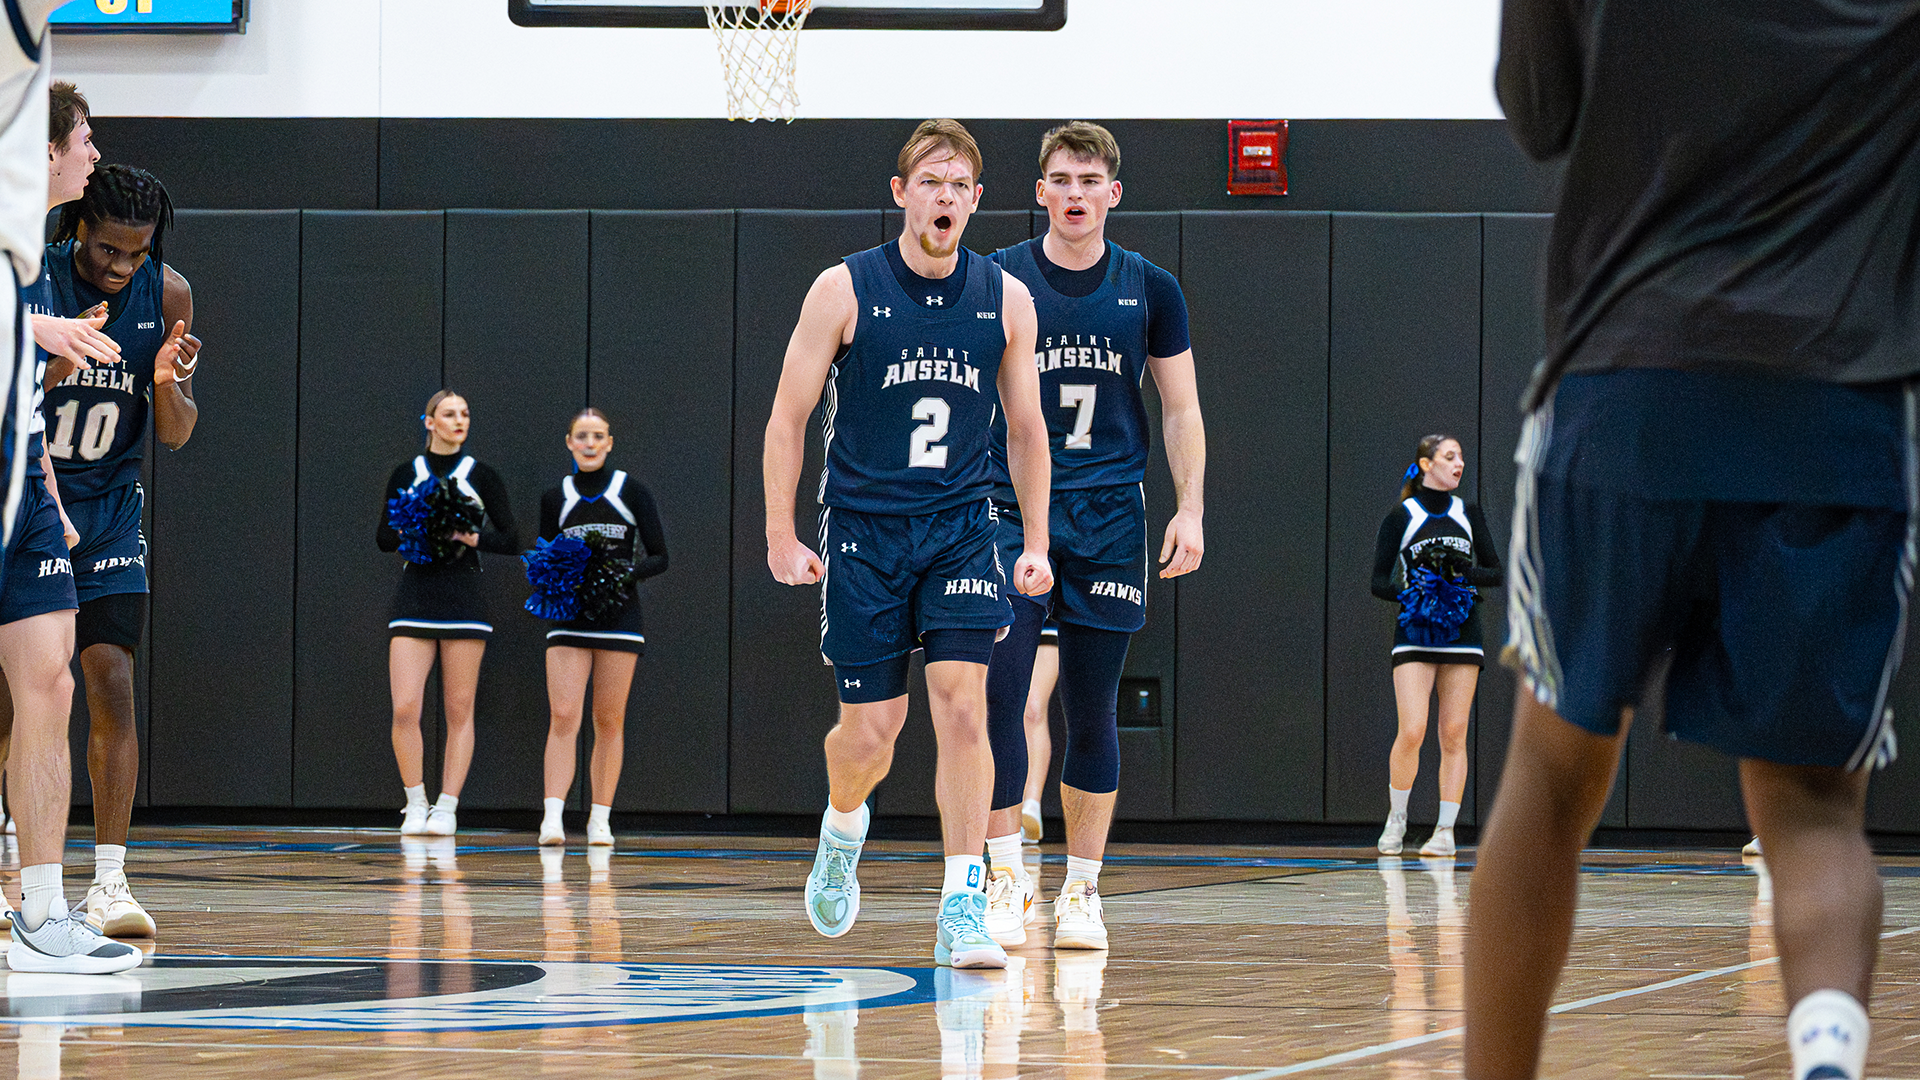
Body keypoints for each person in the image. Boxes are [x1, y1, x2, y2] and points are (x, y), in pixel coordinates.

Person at [1465, 4, 1920, 1080]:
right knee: (1812, 808)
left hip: (1629, 382)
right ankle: (1827, 1058)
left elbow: (1539, 114)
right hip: (1837, 399)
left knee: (1552, 772)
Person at [763, 118, 1052, 970]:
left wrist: (1033, 537)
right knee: (871, 734)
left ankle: (963, 905)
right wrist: (781, 532)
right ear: (901, 194)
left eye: (961, 185)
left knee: (966, 705)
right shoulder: (843, 289)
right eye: (932, 180)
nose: (947, 196)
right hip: (865, 534)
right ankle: (843, 827)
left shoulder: (1007, 297)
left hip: (965, 528)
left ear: (976, 203)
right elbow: (787, 416)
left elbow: (1029, 428)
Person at [978, 121, 1205, 953]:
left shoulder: (1150, 287)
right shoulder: (996, 277)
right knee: (1002, 693)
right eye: (1060, 179)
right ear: (1039, 191)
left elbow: (1180, 408)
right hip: (1009, 513)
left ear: (1113, 193)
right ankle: (1006, 876)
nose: (1074, 193)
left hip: (1110, 516)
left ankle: (1081, 890)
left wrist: (1191, 508)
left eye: (1089, 179)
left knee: (1090, 705)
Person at [17, 163, 197, 938]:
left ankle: (111, 883)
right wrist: (51, 369)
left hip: (112, 511)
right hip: (32, 499)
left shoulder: (171, 295)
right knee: (21, 698)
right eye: (106, 251)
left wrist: (162, 383)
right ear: (77, 229)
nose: (121, 267)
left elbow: (176, 432)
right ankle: (21, 872)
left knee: (111, 678)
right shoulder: (34, 278)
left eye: (137, 253)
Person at [0, 13, 140, 973]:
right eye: (84, 139)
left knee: (52, 680)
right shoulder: (12, 200)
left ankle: (45, 914)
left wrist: (36, 339)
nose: (95, 153)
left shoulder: (33, 251)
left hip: (23, 464)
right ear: (41, 149)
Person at [377, 390, 518, 838]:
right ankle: (415, 802)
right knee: (405, 707)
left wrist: (468, 536)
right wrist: (418, 529)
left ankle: (448, 807)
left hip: (464, 598)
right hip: (415, 596)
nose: (459, 421)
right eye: (449, 414)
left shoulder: (481, 475)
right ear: (429, 421)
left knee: (459, 708)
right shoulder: (408, 472)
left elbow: (512, 538)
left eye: (465, 414)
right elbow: (383, 536)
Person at [531, 407, 668, 848]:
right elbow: (543, 557)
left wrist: (622, 575)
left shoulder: (631, 490)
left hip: (619, 616)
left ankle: (599, 819)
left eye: (598, 436)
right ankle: (552, 817)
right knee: (563, 715)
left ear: (609, 443)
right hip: (568, 617)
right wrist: (561, 576)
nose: (590, 443)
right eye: (582, 436)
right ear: (569, 442)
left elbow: (659, 555)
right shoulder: (557, 497)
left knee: (608, 719)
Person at [1368, 434, 1502, 858]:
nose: (1458, 463)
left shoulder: (1469, 512)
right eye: (1449, 456)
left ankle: (1445, 831)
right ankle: (1397, 820)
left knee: (1454, 732)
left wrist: (1462, 574)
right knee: (1413, 729)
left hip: (1463, 632)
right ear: (1426, 464)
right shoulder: (1402, 514)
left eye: (1460, 456)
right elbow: (1378, 582)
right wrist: (1417, 591)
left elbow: (1495, 572)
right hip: (1416, 630)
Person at [1016, 620, 1059, 844]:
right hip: (1006, 600)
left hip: (1049, 607)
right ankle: (1001, 810)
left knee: (1032, 707)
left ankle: (1031, 804)